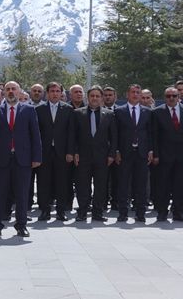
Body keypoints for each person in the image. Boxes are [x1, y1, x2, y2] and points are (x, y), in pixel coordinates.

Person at [0, 81, 42, 238]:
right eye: (8, 89)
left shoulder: (29, 110)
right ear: (4, 92)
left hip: (23, 159)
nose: (11, 92)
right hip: (1, 159)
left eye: (13, 89)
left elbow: (35, 135)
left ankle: (21, 225)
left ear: (19, 92)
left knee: (22, 194)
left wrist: (37, 157)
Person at [68, 86, 116, 223]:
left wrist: (112, 154)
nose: (94, 98)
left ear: (101, 98)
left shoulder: (109, 114)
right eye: (92, 96)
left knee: (101, 185)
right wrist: (74, 152)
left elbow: (114, 137)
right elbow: (73, 135)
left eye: (97, 96)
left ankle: (98, 213)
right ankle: (82, 212)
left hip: (102, 157)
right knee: (83, 185)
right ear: (87, 98)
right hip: (83, 156)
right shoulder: (77, 113)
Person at [149, 87, 183, 222]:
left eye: (174, 95)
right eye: (168, 96)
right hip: (164, 156)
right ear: (164, 97)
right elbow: (154, 135)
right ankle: (162, 212)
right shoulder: (157, 112)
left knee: (180, 185)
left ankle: (178, 212)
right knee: (163, 185)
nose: (171, 98)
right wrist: (155, 155)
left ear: (179, 96)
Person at [113, 83, 152, 222]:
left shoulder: (147, 112)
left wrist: (151, 151)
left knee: (141, 185)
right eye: (133, 92)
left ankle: (140, 213)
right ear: (127, 94)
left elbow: (150, 133)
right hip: (124, 153)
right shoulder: (119, 111)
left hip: (141, 153)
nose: (135, 94)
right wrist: (116, 151)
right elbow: (115, 133)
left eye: (138, 92)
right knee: (123, 184)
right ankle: (122, 213)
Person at [34, 82, 73, 222]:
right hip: (44, 153)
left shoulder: (68, 109)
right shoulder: (39, 109)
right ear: (47, 93)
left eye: (57, 91)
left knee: (62, 182)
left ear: (62, 93)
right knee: (43, 182)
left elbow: (71, 133)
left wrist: (70, 152)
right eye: (52, 91)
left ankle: (61, 211)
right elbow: (36, 133)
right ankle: (45, 210)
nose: (55, 93)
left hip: (62, 153)